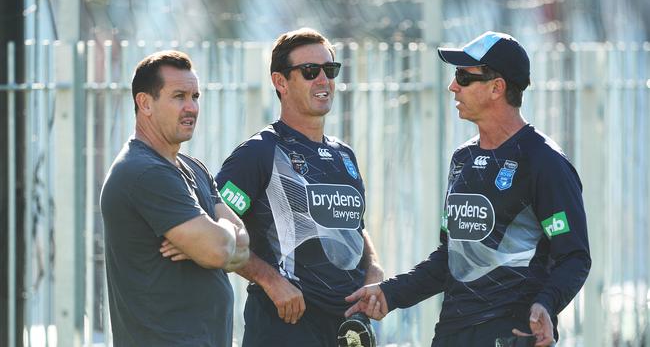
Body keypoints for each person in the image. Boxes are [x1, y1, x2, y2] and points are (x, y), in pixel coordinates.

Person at [344, 31, 591, 347]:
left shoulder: (544, 161)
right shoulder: (463, 158)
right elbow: (450, 258)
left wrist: (545, 303)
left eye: (463, 76)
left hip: (511, 333)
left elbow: (574, 256)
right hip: (452, 333)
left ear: (496, 88)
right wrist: (390, 293)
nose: (452, 86)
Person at [215, 27, 384, 347]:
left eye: (330, 70)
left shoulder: (344, 155)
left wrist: (374, 268)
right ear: (280, 82)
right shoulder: (259, 152)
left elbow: (354, 228)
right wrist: (270, 280)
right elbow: (218, 229)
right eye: (310, 71)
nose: (323, 79)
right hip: (285, 325)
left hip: (346, 330)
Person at [100, 50, 249, 346]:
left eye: (195, 96)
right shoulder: (143, 171)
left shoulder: (194, 168)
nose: (191, 107)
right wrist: (220, 236)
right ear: (145, 103)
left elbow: (244, 248)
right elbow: (221, 251)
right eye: (179, 96)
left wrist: (217, 238)